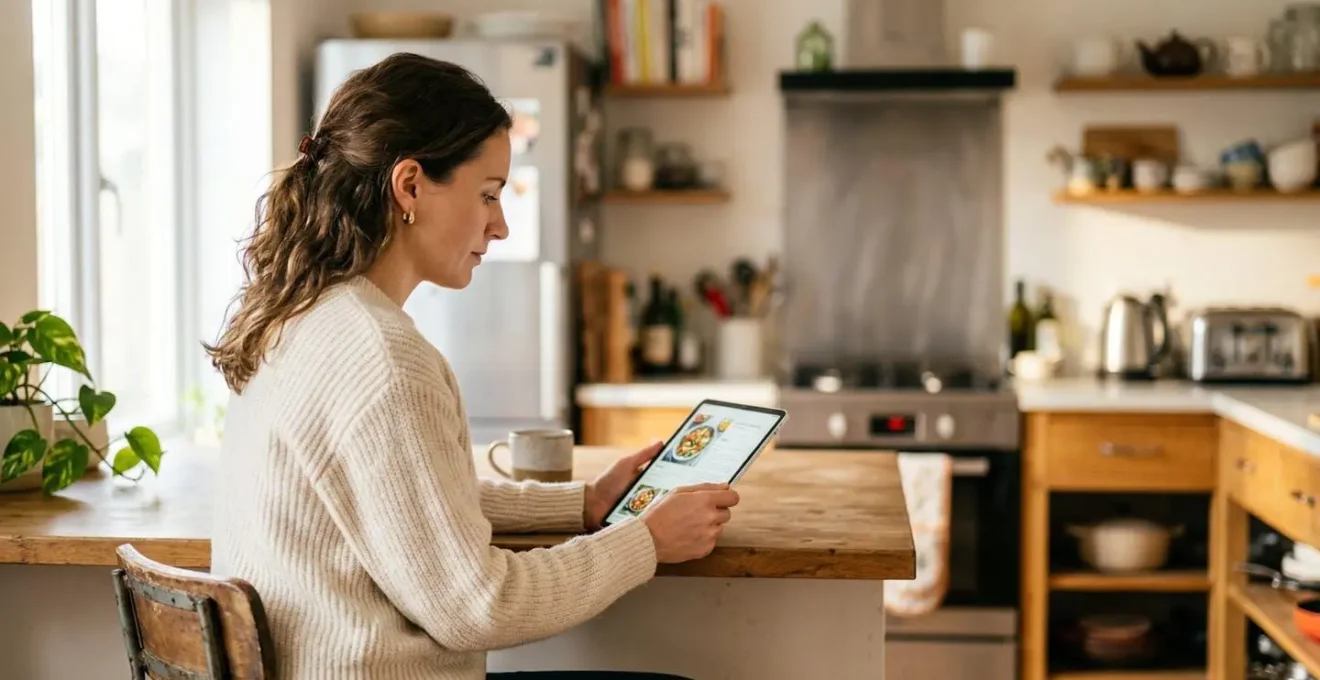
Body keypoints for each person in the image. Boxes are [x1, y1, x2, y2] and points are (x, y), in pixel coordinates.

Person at [204, 52, 740, 680]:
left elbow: (411, 504)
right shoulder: (382, 357)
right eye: (487, 194)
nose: (501, 225)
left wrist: (584, 503)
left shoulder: (297, 316)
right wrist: (645, 541)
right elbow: (479, 606)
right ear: (410, 186)